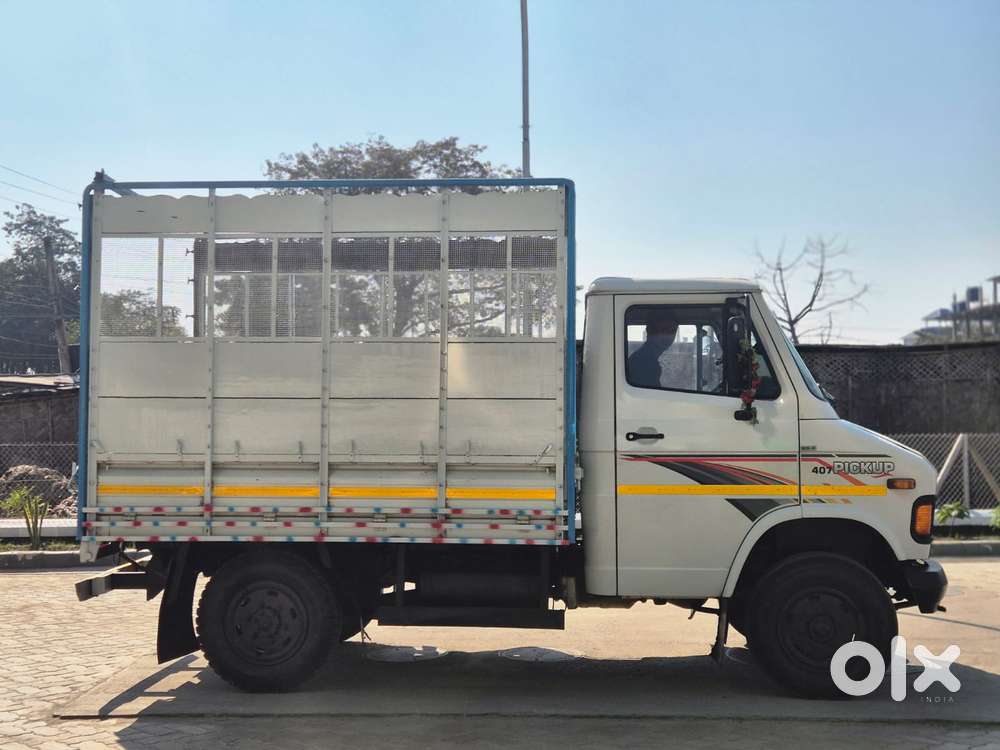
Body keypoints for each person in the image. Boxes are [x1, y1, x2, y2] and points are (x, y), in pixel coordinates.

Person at [628, 313, 679, 388]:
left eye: (672, 331)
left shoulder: (646, 358)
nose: (668, 336)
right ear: (650, 331)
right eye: (663, 330)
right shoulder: (644, 362)